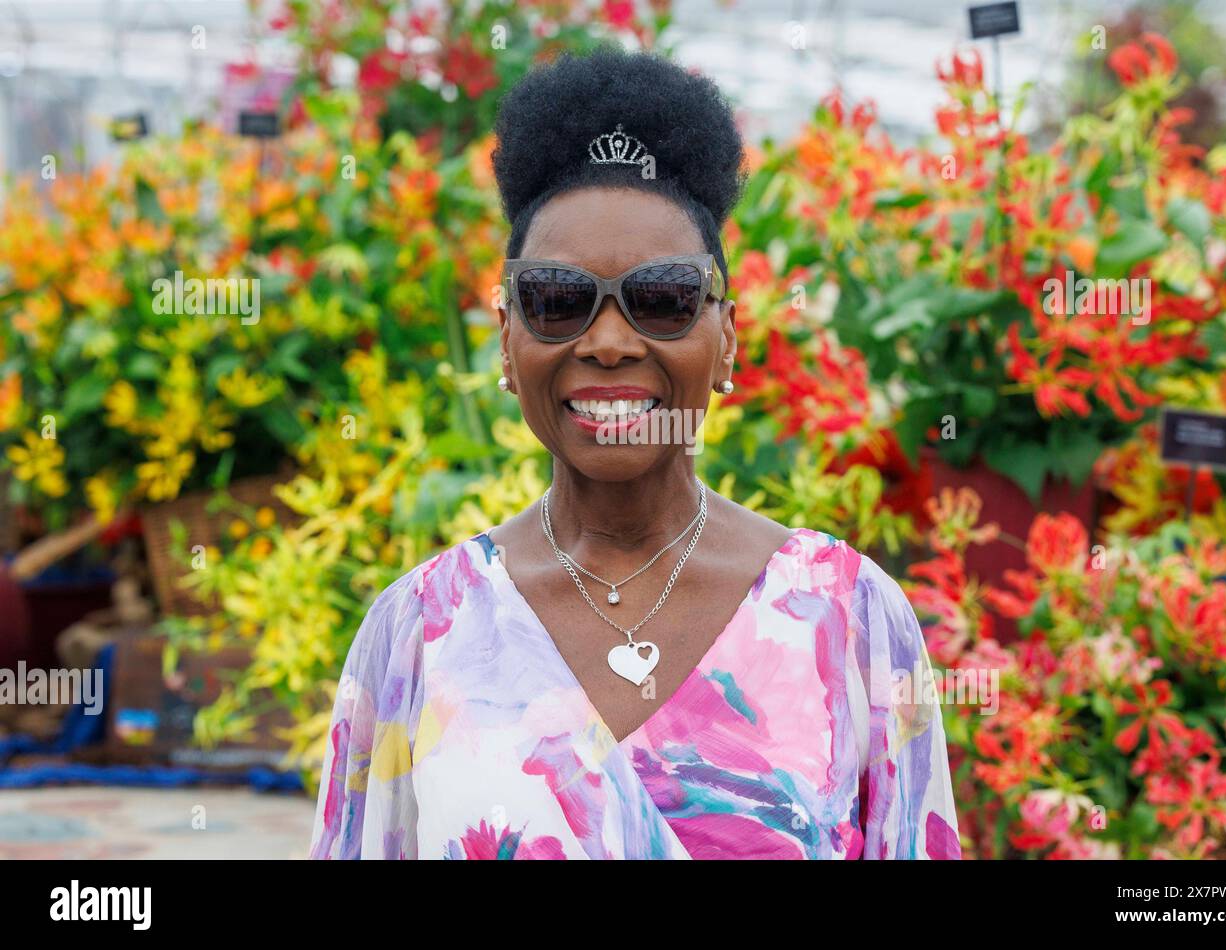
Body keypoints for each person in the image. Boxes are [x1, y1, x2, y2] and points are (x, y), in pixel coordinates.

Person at [310, 45, 960, 860]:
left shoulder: (849, 619)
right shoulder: (417, 635)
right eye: (556, 301)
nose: (610, 342)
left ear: (726, 339)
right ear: (507, 345)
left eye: (663, 300)